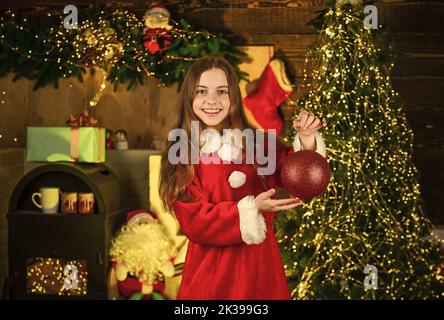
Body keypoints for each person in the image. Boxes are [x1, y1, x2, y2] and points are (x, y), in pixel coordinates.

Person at [159, 55, 327, 299]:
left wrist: (307, 138)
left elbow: (302, 178)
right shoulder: (183, 156)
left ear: (233, 97)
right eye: (202, 92)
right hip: (210, 279)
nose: (212, 101)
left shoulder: (259, 146)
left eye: (222, 92)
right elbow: (195, 222)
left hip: (260, 274)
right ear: (189, 98)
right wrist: (251, 209)